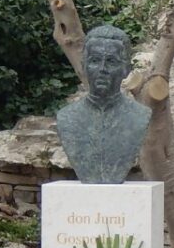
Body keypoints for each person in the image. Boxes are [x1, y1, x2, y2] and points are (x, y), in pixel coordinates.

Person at [56, 24, 151, 184]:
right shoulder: (66, 117)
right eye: (95, 60)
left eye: (111, 62)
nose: (102, 69)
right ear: (84, 66)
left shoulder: (140, 116)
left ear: (126, 69)